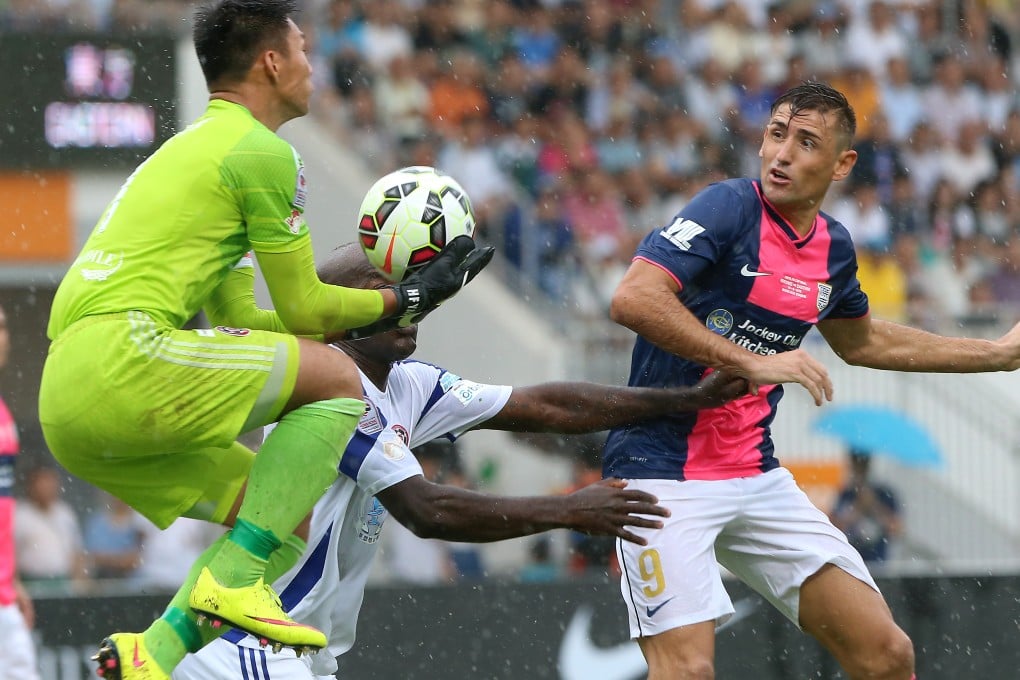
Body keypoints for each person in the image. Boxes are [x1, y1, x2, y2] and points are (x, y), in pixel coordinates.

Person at [36, 2, 492, 678]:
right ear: (271, 62)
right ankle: (232, 582)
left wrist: (381, 309)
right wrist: (412, 298)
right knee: (338, 381)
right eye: (303, 48)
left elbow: (245, 323)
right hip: (121, 357)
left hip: (69, 400)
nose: (314, 65)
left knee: (282, 523)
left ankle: (149, 656)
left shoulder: (198, 150)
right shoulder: (261, 153)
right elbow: (305, 305)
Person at [171, 243, 748, 679]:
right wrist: (569, 510)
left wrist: (681, 402)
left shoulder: (408, 385)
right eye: (382, 291)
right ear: (337, 314)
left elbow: (539, 405)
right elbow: (427, 510)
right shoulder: (326, 394)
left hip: (303, 651)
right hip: (243, 648)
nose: (407, 304)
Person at [603, 82, 1020, 680]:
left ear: (842, 164)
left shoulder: (834, 249)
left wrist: (996, 354)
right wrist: (751, 361)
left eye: (805, 143)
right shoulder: (727, 207)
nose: (781, 155)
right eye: (776, 135)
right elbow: (634, 298)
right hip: (659, 474)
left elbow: (865, 340)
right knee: (687, 673)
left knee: (886, 655)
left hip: (756, 476)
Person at [0, 304, 42, 680]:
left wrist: (11, 579)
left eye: (3, 326)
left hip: (5, 601)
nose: (2, 337)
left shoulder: (3, 414)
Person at [829, 449, 903, 565]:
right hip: (851, 561)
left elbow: (896, 528)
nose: (859, 469)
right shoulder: (846, 494)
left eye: (862, 464)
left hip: (878, 561)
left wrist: (873, 505)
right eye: (856, 464)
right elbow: (834, 528)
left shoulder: (883, 493)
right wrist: (858, 508)